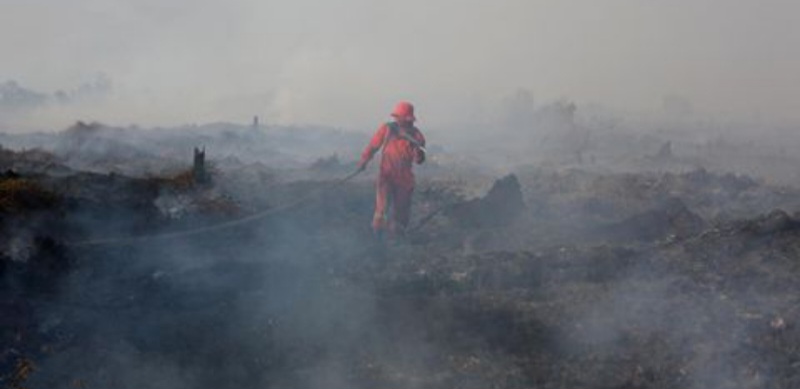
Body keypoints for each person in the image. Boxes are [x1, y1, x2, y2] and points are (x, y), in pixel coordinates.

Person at [357, 101, 426, 239]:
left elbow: (419, 160)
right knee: (381, 210)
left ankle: (397, 240)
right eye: (398, 117)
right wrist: (364, 161)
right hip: (386, 177)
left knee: (401, 214)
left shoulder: (416, 136)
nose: (399, 120)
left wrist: (418, 154)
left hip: (404, 181)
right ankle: (376, 239)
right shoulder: (387, 129)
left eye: (402, 118)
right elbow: (373, 146)